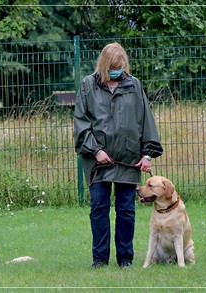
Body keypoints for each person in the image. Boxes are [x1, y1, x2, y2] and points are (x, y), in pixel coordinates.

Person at [74, 42, 163, 269]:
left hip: (129, 159)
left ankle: (125, 258)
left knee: (126, 210)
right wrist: (96, 150)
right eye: (112, 67)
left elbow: (146, 122)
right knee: (99, 208)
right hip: (97, 162)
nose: (117, 71)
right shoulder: (87, 86)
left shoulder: (134, 85)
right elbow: (81, 123)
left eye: (120, 66)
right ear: (104, 65)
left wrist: (147, 155)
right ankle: (100, 259)